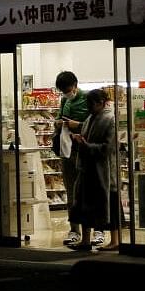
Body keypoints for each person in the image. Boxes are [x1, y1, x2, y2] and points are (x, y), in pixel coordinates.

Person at [69, 88, 120, 252]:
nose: (88, 107)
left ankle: (115, 240)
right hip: (88, 170)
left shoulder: (110, 119)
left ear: (100, 103)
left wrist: (86, 146)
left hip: (104, 172)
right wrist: (78, 140)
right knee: (84, 205)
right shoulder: (91, 117)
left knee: (110, 205)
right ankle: (85, 240)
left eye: (91, 104)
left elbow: (108, 148)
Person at [52, 71, 91, 247]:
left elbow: (94, 123)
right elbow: (59, 118)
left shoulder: (88, 98)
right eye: (63, 91)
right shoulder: (64, 100)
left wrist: (78, 125)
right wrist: (58, 123)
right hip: (68, 151)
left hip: (85, 151)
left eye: (68, 89)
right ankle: (74, 229)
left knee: (87, 192)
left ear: (75, 84)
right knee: (70, 191)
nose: (67, 93)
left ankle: (92, 230)